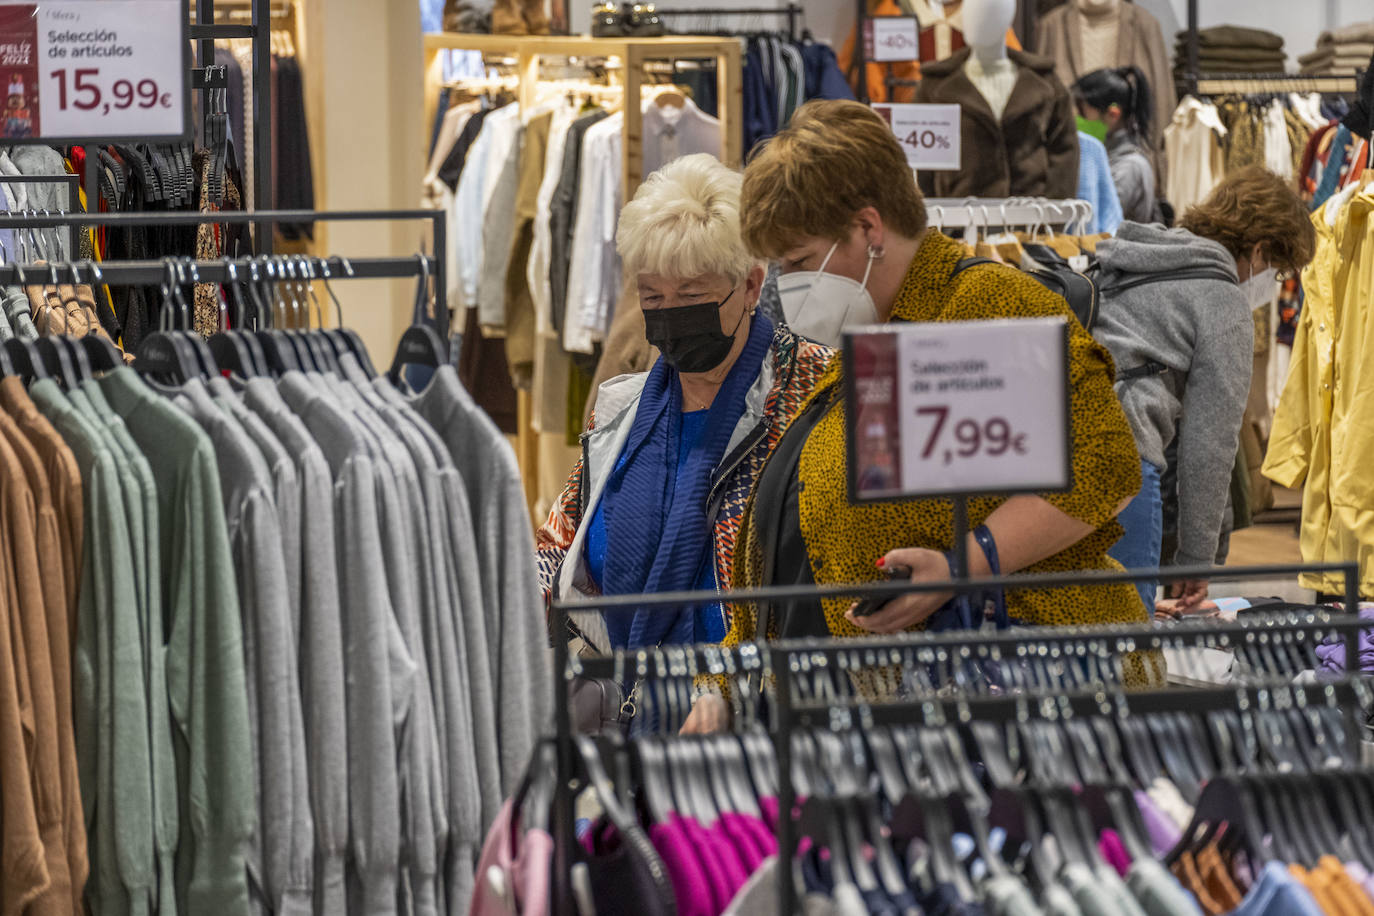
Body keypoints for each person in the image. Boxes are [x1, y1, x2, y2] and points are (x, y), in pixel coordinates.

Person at [685, 99, 1152, 733]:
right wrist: (726, 685)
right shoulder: (866, 345)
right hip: (880, 712)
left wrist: (965, 563)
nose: (787, 284)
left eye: (797, 261)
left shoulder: (982, 302)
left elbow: (1105, 468)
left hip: (1012, 703)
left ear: (868, 229)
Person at [535, 153, 833, 659]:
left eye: (691, 296)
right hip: (628, 705)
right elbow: (560, 542)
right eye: (652, 298)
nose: (670, 316)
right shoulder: (620, 411)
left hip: (763, 704)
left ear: (751, 287)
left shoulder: (815, 392)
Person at [1095, 166, 1315, 614]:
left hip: (1049, 470)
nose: (1266, 282)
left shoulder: (1126, 258)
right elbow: (1209, 448)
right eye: (1273, 270)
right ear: (1257, 250)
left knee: (1062, 645)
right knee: (1122, 656)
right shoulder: (1221, 301)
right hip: (1123, 469)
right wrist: (1195, 562)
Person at [1072, 67, 1163, 224]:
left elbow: (1098, 224)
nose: (1077, 118)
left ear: (1113, 114)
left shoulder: (1128, 167)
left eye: (1082, 110)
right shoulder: (1108, 157)